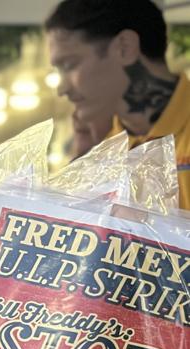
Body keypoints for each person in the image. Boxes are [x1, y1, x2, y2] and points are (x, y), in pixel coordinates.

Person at [47, 0, 190, 207]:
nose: (62, 89)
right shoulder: (103, 150)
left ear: (125, 47)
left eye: (70, 65)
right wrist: (83, 171)